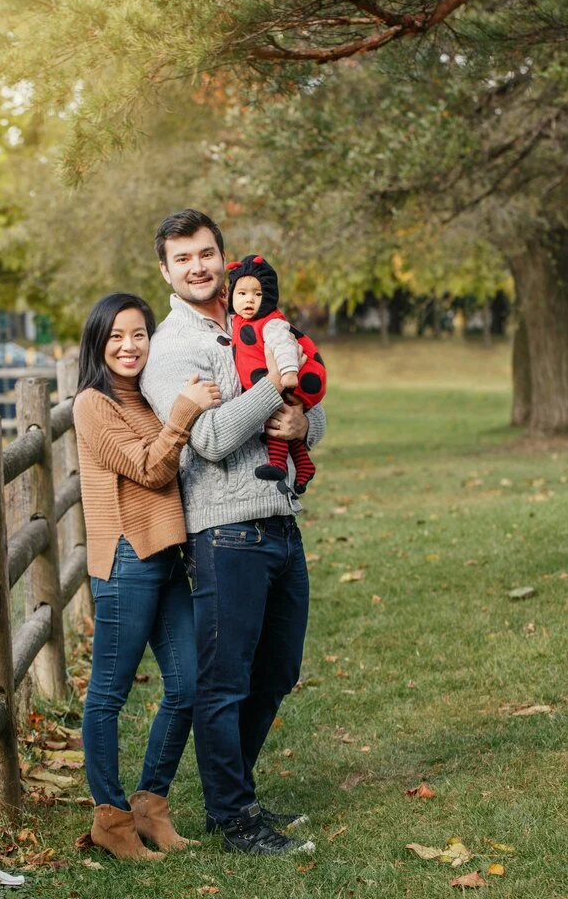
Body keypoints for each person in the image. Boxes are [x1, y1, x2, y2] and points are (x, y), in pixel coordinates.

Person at [141, 210, 326, 856]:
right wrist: (269, 392)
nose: (197, 266)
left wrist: (303, 426)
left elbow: (312, 407)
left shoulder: (258, 321)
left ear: (222, 257)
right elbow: (212, 438)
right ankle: (232, 816)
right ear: (165, 270)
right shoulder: (170, 350)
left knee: (277, 670)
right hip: (224, 532)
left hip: (281, 519)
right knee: (225, 682)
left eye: (205, 253)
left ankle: (237, 793)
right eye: (183, 258)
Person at [73, 292, 220, 861]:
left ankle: (150, 806)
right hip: (127, 561)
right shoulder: (93, 404)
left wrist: (175, 411)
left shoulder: (150, 400)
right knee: (108, 695)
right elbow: (149, 468)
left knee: (187, 686)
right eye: (116, 336)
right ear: (98, 343)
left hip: (166, 557)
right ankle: (110, 817)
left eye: (139, 335)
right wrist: (184, 412)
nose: (129, 346)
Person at [226, 254, 326, 494]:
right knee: (283, 419)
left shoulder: (271, 323)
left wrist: (288, 373)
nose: (249, 300)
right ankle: (304, 465)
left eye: (257, 295)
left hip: (293, 380)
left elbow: (284, 346)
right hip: (275, 380)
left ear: (267, 296)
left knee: (276, 417)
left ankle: (277, 463)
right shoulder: (238, 320)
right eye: (241, 294)